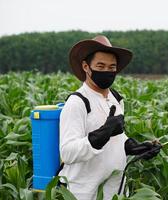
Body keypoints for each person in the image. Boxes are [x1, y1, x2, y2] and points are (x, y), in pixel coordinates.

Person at [58, 35, 161, 200]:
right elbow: (68, 152)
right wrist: (103, 133)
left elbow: (117, 138)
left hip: (116, 191)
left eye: (112, 67)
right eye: (100, 66)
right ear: (86, 66)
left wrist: (133, 147)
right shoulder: (77, 102)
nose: (107, 71)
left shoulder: (116, 98)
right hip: (85, 193)